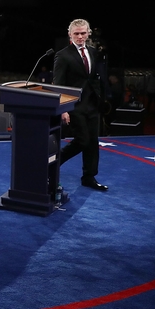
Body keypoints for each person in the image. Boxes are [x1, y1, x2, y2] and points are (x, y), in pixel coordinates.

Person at [53, 18, 107, 191]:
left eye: (83, 33)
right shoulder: (63, 55)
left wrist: (99, 99)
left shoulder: (92, 52)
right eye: (76, 33)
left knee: (92, 142)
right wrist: (63, 109)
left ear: (88, 33)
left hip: (92, 105)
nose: (80, 36)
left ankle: (89, 177)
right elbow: (58, 84)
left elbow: (93, 79)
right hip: (74, 106)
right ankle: (51, 164)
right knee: (82, 140)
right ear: (70, 35)